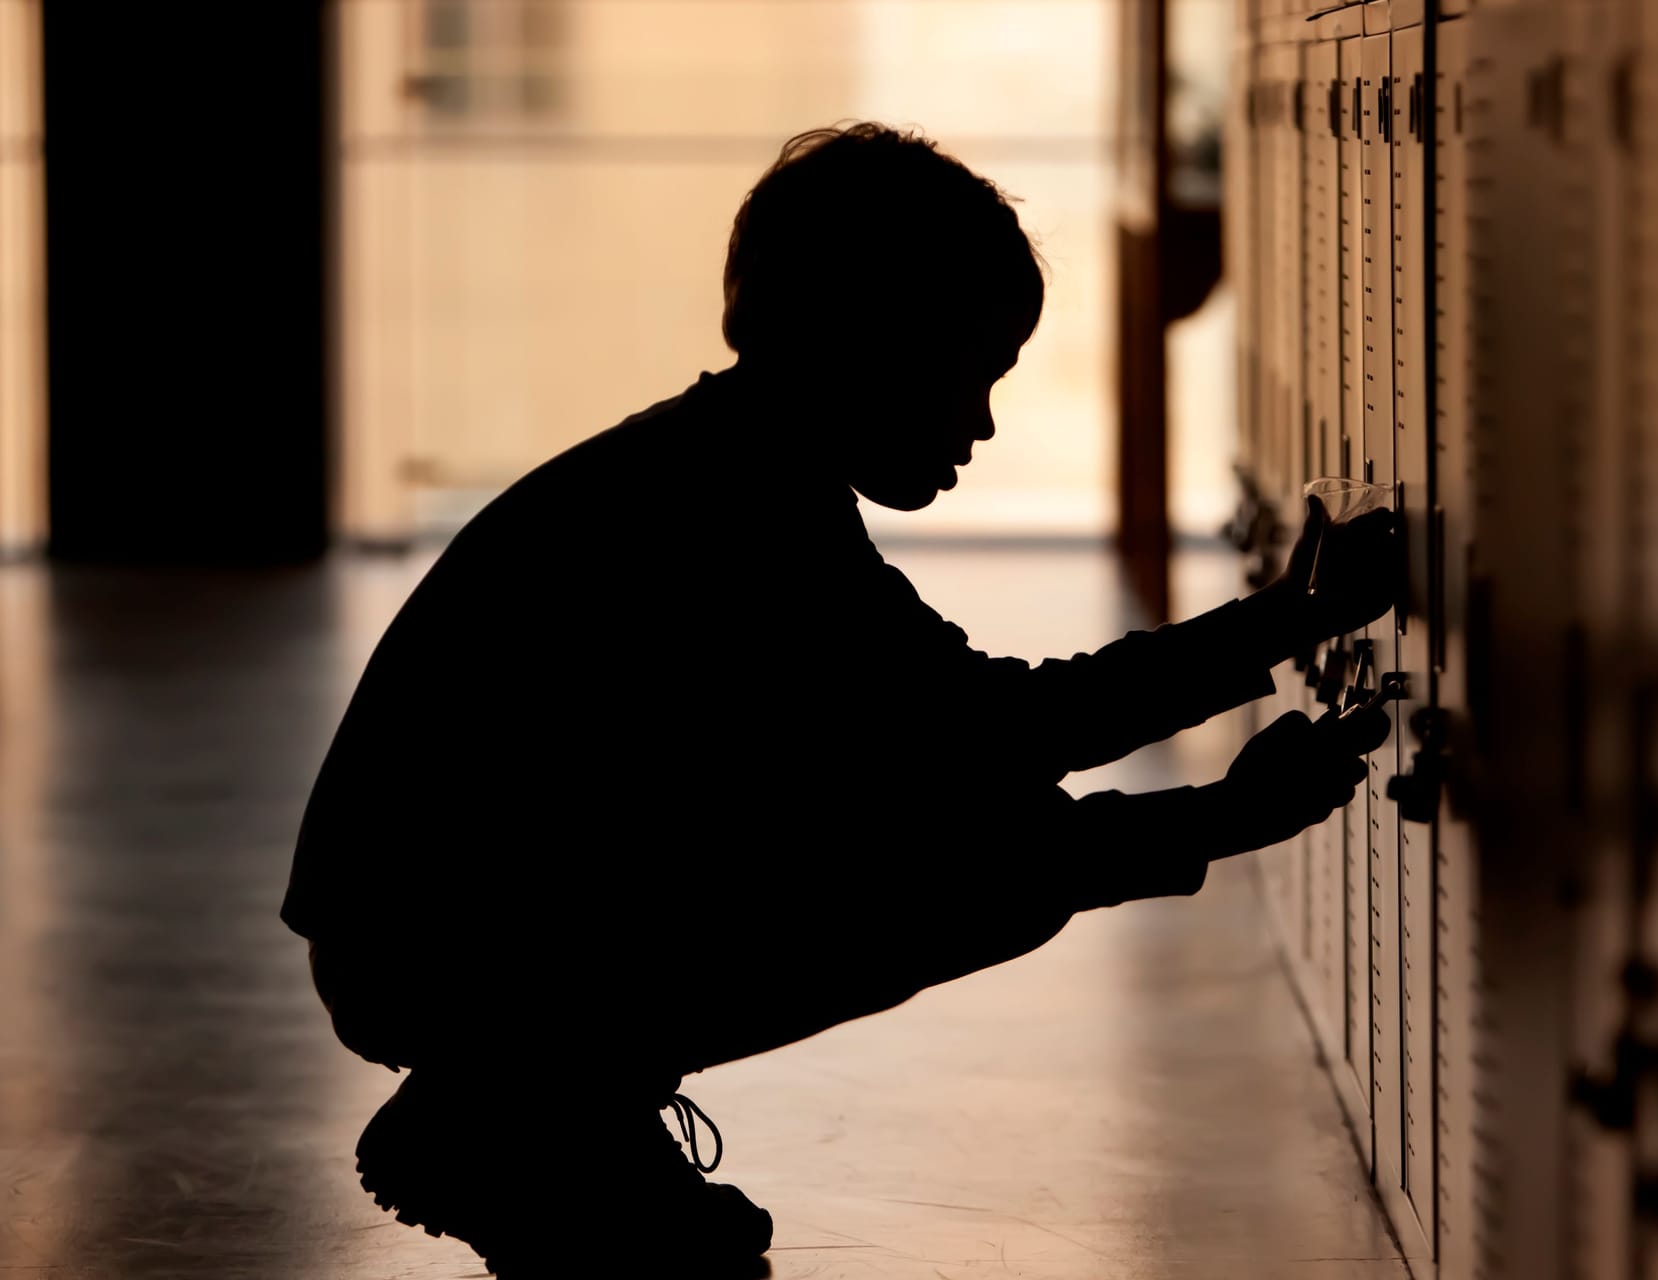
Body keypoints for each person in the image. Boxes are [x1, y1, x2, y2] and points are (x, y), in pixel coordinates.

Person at [283, 122, 1400, 1277]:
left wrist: (1271, 647)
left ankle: (556, 1107)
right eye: (971, 365)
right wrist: (1223, 788)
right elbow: (986, 741)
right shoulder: (733, 512)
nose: (981, 419)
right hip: (445, 951)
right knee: (994, 865)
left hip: (446, 925)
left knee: (976, 837)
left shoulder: (721, 463)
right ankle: (515, 1116)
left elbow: (941, 740)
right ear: (867, 334)